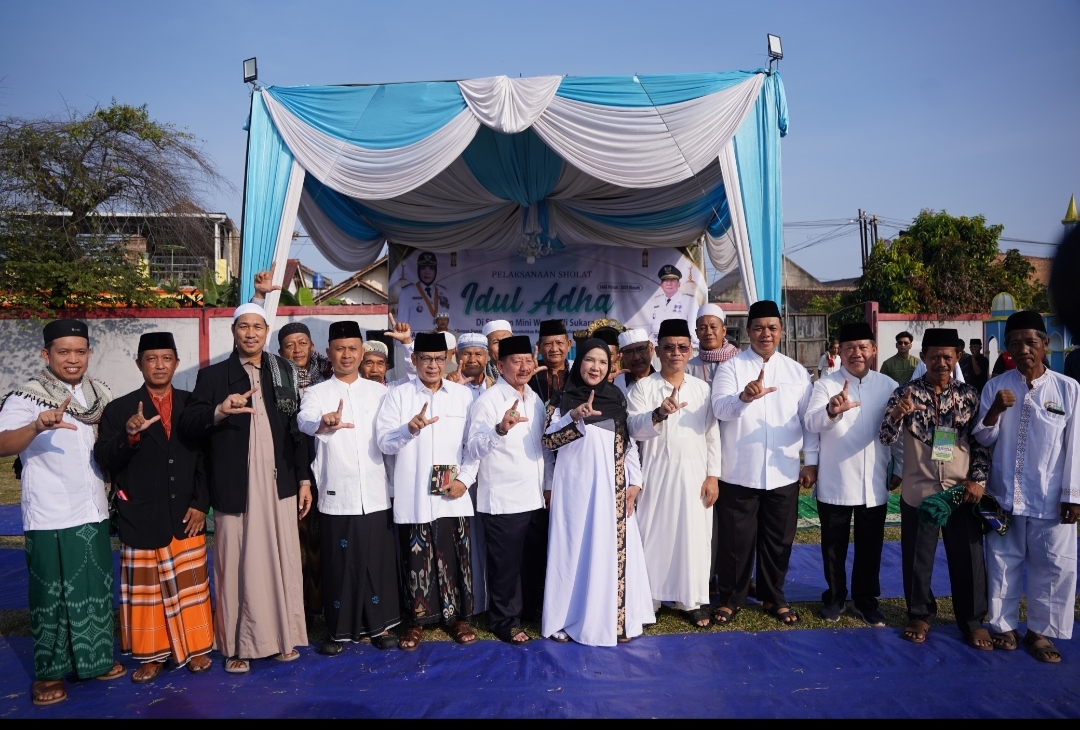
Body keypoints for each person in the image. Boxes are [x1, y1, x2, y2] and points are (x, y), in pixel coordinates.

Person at [178, 303, 312, 673]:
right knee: (235, 563)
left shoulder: (284, 370)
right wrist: (220, 410)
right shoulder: (213, 376)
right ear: (234, 331)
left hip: (279, 482)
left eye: (258, 327)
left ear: (266, 332)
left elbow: (298, 430)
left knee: (282, 560)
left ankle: (283, 637)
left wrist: (304, 479)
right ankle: (237, 645)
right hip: (235, 485)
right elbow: (190, 424)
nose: (251, 334)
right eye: (243, 327)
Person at [0, 319, 126, 705]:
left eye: (80, 351)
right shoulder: (27, 396)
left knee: (93, 588)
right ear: (46, 354)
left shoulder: (100, 394)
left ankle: (95, 659)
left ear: (89, 353)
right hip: (51, 512)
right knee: (50, 594)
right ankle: (50, 672)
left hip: (93, 509)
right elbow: (3, 444)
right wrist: (37, 426)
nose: (73, 359)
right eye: (63, 351)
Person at [94, 332, 213, 683]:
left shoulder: (193, 405)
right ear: (139, 364)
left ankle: (196, 648)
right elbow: (104, 458)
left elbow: (207, 459)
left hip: (186, 515)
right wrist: (129, 435)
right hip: (142, 515)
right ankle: (151, 655)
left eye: (166, 358)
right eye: (151, 359)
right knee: (147, 594)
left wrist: (200, 504)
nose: (159, 365)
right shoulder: (120, 410)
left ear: (176, 362)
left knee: (191, 588)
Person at [974, 311, 1080, 663]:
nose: (1023, 350)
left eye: (1031, 342)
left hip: (1051, 498)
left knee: (1053, 565)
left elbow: (1075, 446)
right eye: (1015, 343)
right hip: (1004, 494)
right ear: (1006, 347)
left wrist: (1073, 495)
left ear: (1045, 344)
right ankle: (1003, 625)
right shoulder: (995, 386)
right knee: (1002, 561)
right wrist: (994, 411)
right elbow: (982, 438)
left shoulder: (1067, 389)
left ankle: (1040, 631)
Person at [878, 328, 992, 651]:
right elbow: (885, 437)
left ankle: (972, 620)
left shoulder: (970, 395)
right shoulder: (906, 393)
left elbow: (981, 444)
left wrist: (978, 480)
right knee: (918, 556)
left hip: (960, 491)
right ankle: (919, 614)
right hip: (920, 489)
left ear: (957, 357)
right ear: (923, 357)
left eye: (947, 356)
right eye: (934, 356)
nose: (941, 362)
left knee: (969, 557)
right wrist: (897, 415)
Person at [710, 300, 819, 626]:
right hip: (738, 472)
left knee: (779, 540)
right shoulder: (731, 368)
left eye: (772, 327)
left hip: (783, 471)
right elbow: (719, 409)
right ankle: (731, 599)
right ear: (748, 331)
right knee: (735, 541)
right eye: (758, 328)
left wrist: (811, 462)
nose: (765, 334)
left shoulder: (797, 372)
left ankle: (774, 597)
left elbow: (808, 422)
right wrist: (743, 398)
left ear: (781, 331)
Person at [542, 339, 655, 645]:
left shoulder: (616, 398)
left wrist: (635, 482)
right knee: (573, 552)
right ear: (579, 361)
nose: (596, 367)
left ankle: (616, 620)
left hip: (612, 489)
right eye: (590, 360)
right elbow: (548, 442)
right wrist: (575, 415)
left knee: (611, 550)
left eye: (603, 362)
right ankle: (567, 619)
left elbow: (628, 444)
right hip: (574, 490)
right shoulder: (561, 399)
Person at [297, 321, 401, 655]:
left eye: (352, 348)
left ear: (361, 352)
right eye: (340, 349)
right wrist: (322, 423)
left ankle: (380, 626)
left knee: (376, 560)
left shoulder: (381, 393)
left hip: (375, 491)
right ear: (329, 353)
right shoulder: (316, 393)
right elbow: (304, 421)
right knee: (339, 563)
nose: (346, 355)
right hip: (336, 493)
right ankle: (339, 630)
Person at [375, 332, 480, 651]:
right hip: (414, 488)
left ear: (447, 360)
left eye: (438, 359)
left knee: (455, 555)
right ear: (414, 360)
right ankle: (417, 621)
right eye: (425, 359)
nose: (432, 365)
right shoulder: (397, 395)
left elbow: (473, 445)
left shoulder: (462, 396)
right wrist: (409, 429)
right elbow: (384, 442)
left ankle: (457, 618)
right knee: (415, 558)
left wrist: (465, 479)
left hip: (451, 487)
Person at [804, 322, 902, 627]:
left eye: (862, 347)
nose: (856, 353)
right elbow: (811, 424)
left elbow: (896, 431)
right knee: (834, 545)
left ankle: (865, 600)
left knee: (870, 545)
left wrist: (899, 466)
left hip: (873, 480)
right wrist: (831, 411)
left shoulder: (888, 385)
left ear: (873, 350)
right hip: (836, 478)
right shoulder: (825, 385)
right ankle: (834, 598)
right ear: (840, 352)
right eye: (849, 348)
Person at [628, 319, 720, 627]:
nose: (675, 353)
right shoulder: (643, 388)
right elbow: (632, 429)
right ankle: (650, 599)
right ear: (657, 351)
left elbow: (712, 436)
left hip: (695, 476)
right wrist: (659, 413)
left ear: (690, 350)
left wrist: (713, 476)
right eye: (668, 347)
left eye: (682, 347)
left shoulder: (703, 389)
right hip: (655, 474)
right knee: (653, 535)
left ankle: (690, 600)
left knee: (692, 537)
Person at [465, 335, 552, 644]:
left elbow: (543, 449)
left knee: (530, 562)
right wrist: (500, 428)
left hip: (534, 497)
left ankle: (527, 612)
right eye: (516, 362)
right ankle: (503, 621)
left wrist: (548, 486)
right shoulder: (488, 401)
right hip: (503, 499)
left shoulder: (535, 399)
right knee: (505, 567)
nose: (524, 366)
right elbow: (473, 447)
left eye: (528, 360)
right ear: (500, 366)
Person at [449, 331, 495, 616]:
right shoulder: (447, 387)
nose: (473, 359)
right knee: (463, 538)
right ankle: (469, 601)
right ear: (457, 357)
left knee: (488, 539)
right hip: (460, 476)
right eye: (467, 353)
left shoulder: (496, 388)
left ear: (487, 358)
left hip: (491, 476)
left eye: (479, 353)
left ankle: (488, 601)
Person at [398, 252, 450, 336]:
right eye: (423, 268)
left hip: (440, 340)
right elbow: (402, 325)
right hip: (417, 341)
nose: (427, 272)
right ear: (418, 270)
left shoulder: (444, 292)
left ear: (436, 270)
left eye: (431, 268)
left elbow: (449, 322)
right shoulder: (406, 293)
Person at [646, 265, 698, 346]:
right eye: (665, 280)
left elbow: (693, 330)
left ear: (679, 284)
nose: (669, 284)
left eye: (672, 280)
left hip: (680, 346)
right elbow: (649, 328)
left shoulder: (689, 301)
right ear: (661, 284)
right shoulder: (655, 302)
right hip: (657, 346)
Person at [687, 303, 739, 383]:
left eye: (713, 327)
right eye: (703, 328)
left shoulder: (739, 360)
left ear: (724, 331)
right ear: (697, 333)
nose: (708, 332)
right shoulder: (689, 368)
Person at [529, 319, 570, 405]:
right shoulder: (531, 371)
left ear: (569, 345)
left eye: (559, 343)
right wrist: (527, 375)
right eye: (548, 344)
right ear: (539, 346)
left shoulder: (576, 371)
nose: (554, 349)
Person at [613, 328, 654, 396]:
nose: (636, 357)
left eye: (641, 350)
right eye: (629, 352)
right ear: (622, 356)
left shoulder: (664, 378)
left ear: (651, 349)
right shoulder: (615, 384)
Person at [482, 319, 514, 384]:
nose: (502, 346)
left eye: (507, 340)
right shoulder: (479, 375)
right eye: (496, 342)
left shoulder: (525, 370)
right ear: (487, 348)